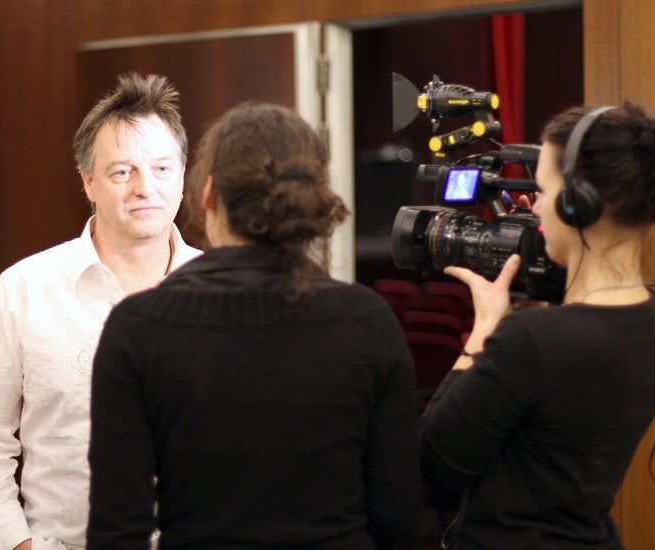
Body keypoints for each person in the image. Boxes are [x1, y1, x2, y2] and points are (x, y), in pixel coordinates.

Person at [86, 102, 423, 549]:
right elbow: (399, 516)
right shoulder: (367, 321)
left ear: (208, 194)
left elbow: (116, 533)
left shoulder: (138, 328)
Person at [419, 102, 655, 548]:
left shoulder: (532, 340)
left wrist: (484, 330)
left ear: (578, 204)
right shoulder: (652, 317)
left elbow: (432, 469)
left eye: (543, 190)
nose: (536, 208)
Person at [0, 73, 202, 550]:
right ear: (88, 183)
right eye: (122, 172)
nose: (145, 187)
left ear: (183, 176)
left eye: (162, 168)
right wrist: (17, 545)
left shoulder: (225, 295)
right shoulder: (24, 289)